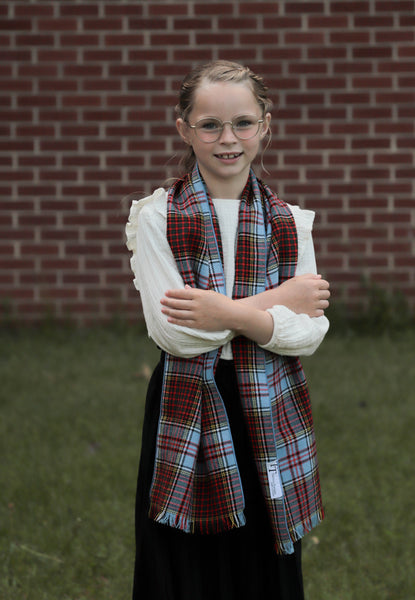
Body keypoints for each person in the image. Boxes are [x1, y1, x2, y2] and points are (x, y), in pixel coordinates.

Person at [125, 60, 330, 600]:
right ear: (184, 129)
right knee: (185, 560)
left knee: (264, 560)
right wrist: (276, 305)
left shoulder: (291, 220)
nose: (227, 139)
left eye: (242, 122)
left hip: (267, 401)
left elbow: (308, 334)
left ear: (265, 124)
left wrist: (222, 313)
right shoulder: (157, 216)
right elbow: (179, 336)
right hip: (190, 401)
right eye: (209, 124)